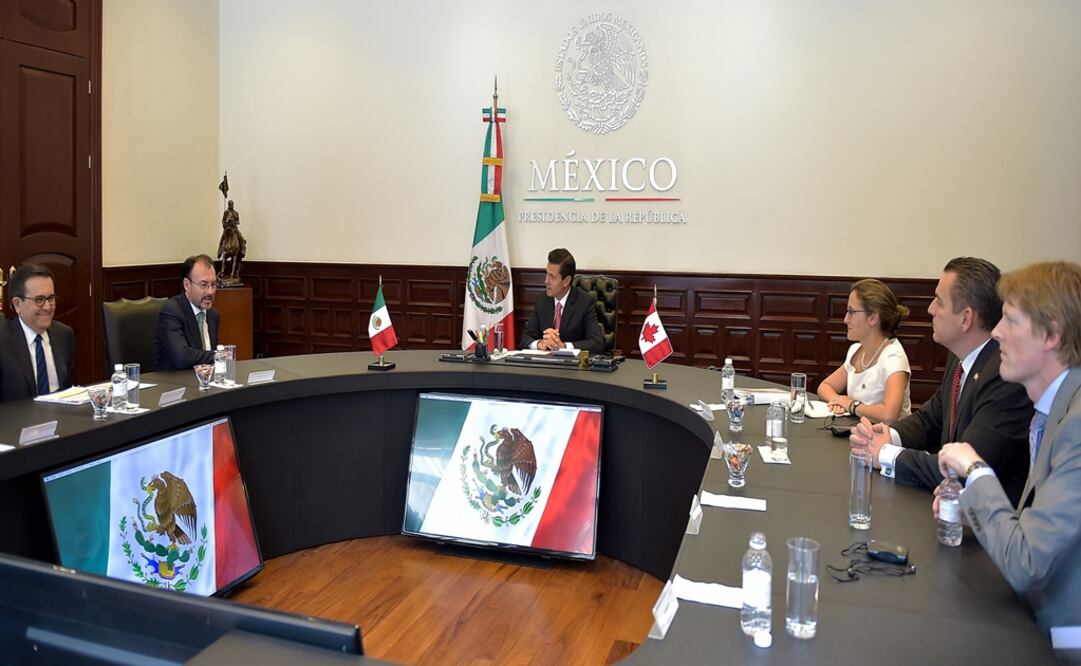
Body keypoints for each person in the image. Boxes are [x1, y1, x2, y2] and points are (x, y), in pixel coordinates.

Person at [936, 261, 1081, 640]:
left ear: (1051, 334)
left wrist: (976, 471)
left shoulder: (1077, 425)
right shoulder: (1057, 407)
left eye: (1011, 321)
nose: (996, 333)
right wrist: (981, 512)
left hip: (1059, 637)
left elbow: (1026, 563)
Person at [850, 257, 1032, 506]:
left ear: (966, 318)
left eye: (939, 301)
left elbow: (960, 467)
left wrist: (884, 454)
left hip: (984, 530)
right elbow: (932, 418)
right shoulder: (959, 358)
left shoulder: (1004, 377)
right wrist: (887, 435)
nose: (930, 309)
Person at [816, 279, 912, 424]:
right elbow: (825, 386)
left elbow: (889, 414)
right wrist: (837, 401)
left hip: (888, 441)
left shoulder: (894, 357)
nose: (845, 319)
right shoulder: (856, 351)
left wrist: (851, 405)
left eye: (851, 312)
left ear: (873, 317)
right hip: (860, 433)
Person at [0, 265, 75, 402]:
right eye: (39, 300)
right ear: (17, 304)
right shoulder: (3, 341)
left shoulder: (64, 334)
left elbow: (69, 391)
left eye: (51, 298)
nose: (47, 307)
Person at [519, 248, 604, 354]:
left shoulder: (584, 302)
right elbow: (525, 338)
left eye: (552, 277)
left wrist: (563, 346)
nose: (546, 281)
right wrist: (540, 344)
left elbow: (597, 343)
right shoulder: (542, 300)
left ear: (566, 281)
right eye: (546, 274)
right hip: (544, 366)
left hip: (572, 368)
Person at [154, 255, 221, 371]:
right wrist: (219, 356)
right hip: (174, 384)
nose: (210, 291)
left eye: (213, 284)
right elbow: (182, 357)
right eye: (204, 285)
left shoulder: (213, 315)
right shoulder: (172, 311)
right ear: (187, 285)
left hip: (205, 383)